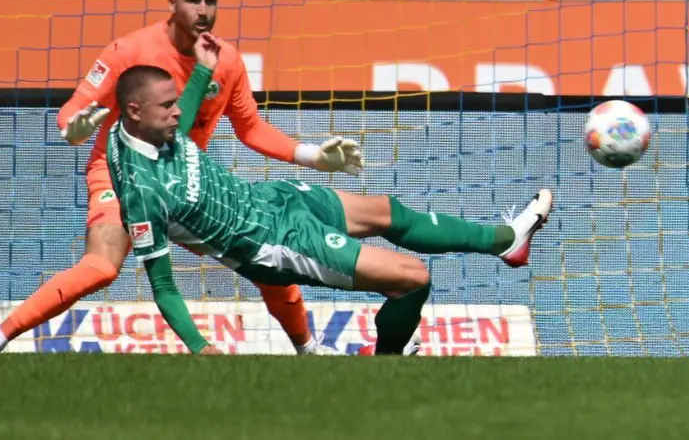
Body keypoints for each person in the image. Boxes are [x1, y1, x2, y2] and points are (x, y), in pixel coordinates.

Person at [108, 35, 554, 355]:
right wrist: (199, 346)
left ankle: (505, 241)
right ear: (134, 111)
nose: (177, 112)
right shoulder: (141, 194)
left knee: (387, 211)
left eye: (174, 102)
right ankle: (387, 363)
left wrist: (203, 68)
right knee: (413, 279)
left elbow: (183, 116)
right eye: (166, 106)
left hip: (271, 199)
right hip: (271, 243)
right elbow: (162, 284)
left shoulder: (132, 129)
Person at [0, 0, 358, 355]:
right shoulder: (128, 51)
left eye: (210, 1)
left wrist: (313, 156)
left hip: (186, 183)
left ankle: (308, 349)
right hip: (122, 176)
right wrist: (74, 129)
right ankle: (3, 333)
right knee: (100, 267)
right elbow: (73, 110)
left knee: (268, 259)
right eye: (193, 0)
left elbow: (251, 128)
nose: (203, 11)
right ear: (171, 2)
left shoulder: (226, 61)